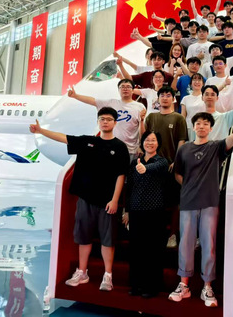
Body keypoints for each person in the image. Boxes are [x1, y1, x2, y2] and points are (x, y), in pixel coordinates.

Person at [29, 107, 130, 292]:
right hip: (85, 200)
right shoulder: (87, 142)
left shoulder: (120, 147)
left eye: (109, 119)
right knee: (83, 238)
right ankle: (82, 272)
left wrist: (115, 200)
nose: (105, 121)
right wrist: (41, 131)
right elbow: (63, 138)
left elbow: (121, 175)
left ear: (115, 123)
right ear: (98, 122)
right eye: (102, 119)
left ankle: (108, 275)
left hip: (107, 202)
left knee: (108, 240)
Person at [168, 106, 233, 307]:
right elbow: (178, 174)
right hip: (188, 203)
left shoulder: (215, 147)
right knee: (185, 244)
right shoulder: (184, 149)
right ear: (193, 127)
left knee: (209, 245)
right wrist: (189, 187)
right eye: (198, 123)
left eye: (205, 124)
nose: (201, 126)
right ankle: (184, 285)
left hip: (209, 203)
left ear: (210, 128)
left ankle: (207, 286)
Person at [122, 131, 170, 298]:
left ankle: (152, 287)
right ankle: (136, 285)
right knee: (136, 250)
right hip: (136, 212)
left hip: (155, 213)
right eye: (147, 140)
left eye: (153, 140)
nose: (150, 143)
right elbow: (129, 188)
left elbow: (153, 168)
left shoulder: (162, 162)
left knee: (153, 250)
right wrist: (127, 210)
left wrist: (144, 168)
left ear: (158, 144)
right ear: (142, 143)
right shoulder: (135, 162)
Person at [144, 86, 188, 247]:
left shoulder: (178, 118)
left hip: (170, 166)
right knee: (153, 201)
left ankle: (172, 235)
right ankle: (154, 233)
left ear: (173, 99)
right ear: (158, 99)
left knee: (175, 201)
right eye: (162, 95)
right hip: (152, 167)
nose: (165, 97)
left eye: (168, 95)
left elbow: (182, 140)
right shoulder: (151, 117)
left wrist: (177, 161)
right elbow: (145, 139)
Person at [67, 79, 146, 160]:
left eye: (128, 87)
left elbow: (142, 128)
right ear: (118, 90)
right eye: (122, 87)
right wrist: (75, 96)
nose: (125, 89)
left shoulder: (140, 107)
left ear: (133, 90)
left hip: (130, 150)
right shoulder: (111, 103)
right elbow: (93, 101)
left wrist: (141, 146)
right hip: (110, 147)